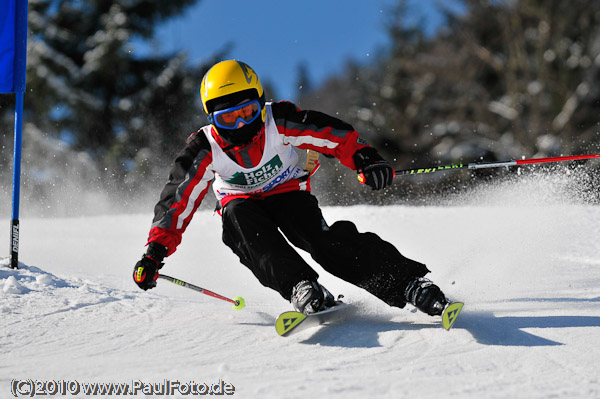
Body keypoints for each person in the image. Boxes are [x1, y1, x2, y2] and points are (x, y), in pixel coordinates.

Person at [133, 59, 448, 316]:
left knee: (321, 241)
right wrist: (155, 252)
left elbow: (330, 134)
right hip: (241, 204)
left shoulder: (278, 119)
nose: (241, 125)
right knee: (242, 226)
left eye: (247, 112)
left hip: (287, 194)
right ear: (213, 120)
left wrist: (365, 158)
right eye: (229, 119)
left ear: (260, 103)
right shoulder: (204, 146)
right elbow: (178, 198)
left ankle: (406, 283)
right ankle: (300, 286)